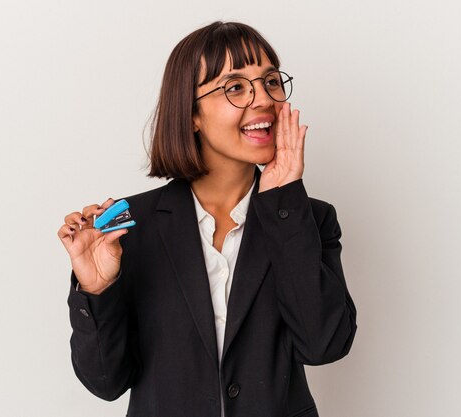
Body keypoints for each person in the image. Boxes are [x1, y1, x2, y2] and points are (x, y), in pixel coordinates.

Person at [58, 21, 357, 417]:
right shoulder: (130, 226)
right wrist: (98, 291)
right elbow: (106, 382)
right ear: (192, 113)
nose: (264, 99)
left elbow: (324, 345)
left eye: (270, 81)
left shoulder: (308, 220)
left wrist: (285, 197)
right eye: (235, 87)